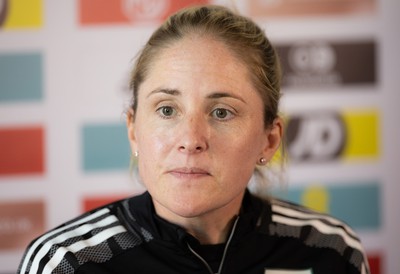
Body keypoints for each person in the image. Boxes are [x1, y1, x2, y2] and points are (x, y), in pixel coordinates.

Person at [18, 5, 370, 274]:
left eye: (221, 112)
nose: (190, 140)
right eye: (167, 110)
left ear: (269, 139)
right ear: (133, 130)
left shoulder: (329, 250)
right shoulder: (67, 263)